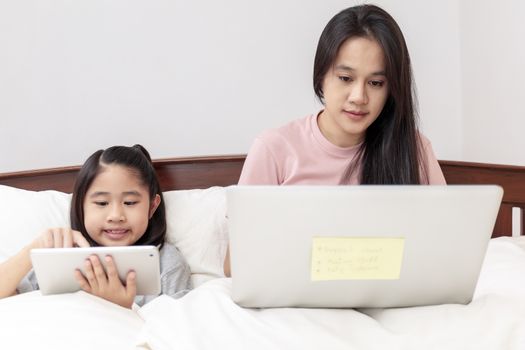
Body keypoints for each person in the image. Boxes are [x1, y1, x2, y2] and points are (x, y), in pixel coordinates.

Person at [224, 4, 446, 275]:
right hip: (300, 302)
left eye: (376, 83)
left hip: (389, 301)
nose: (358, 97)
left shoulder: (414, 149)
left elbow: (442, 250)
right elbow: (234, 265)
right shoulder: (274, 149)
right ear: (322, 76)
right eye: (345, 78)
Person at [0, 144, 191, 308]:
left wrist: (122, 309)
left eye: (130, 202)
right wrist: (33, 251)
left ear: (152, 207)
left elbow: (176, 331)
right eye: (101, 203)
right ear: (81, 206)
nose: (116, 216)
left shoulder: (165, 262)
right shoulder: (62, 254)